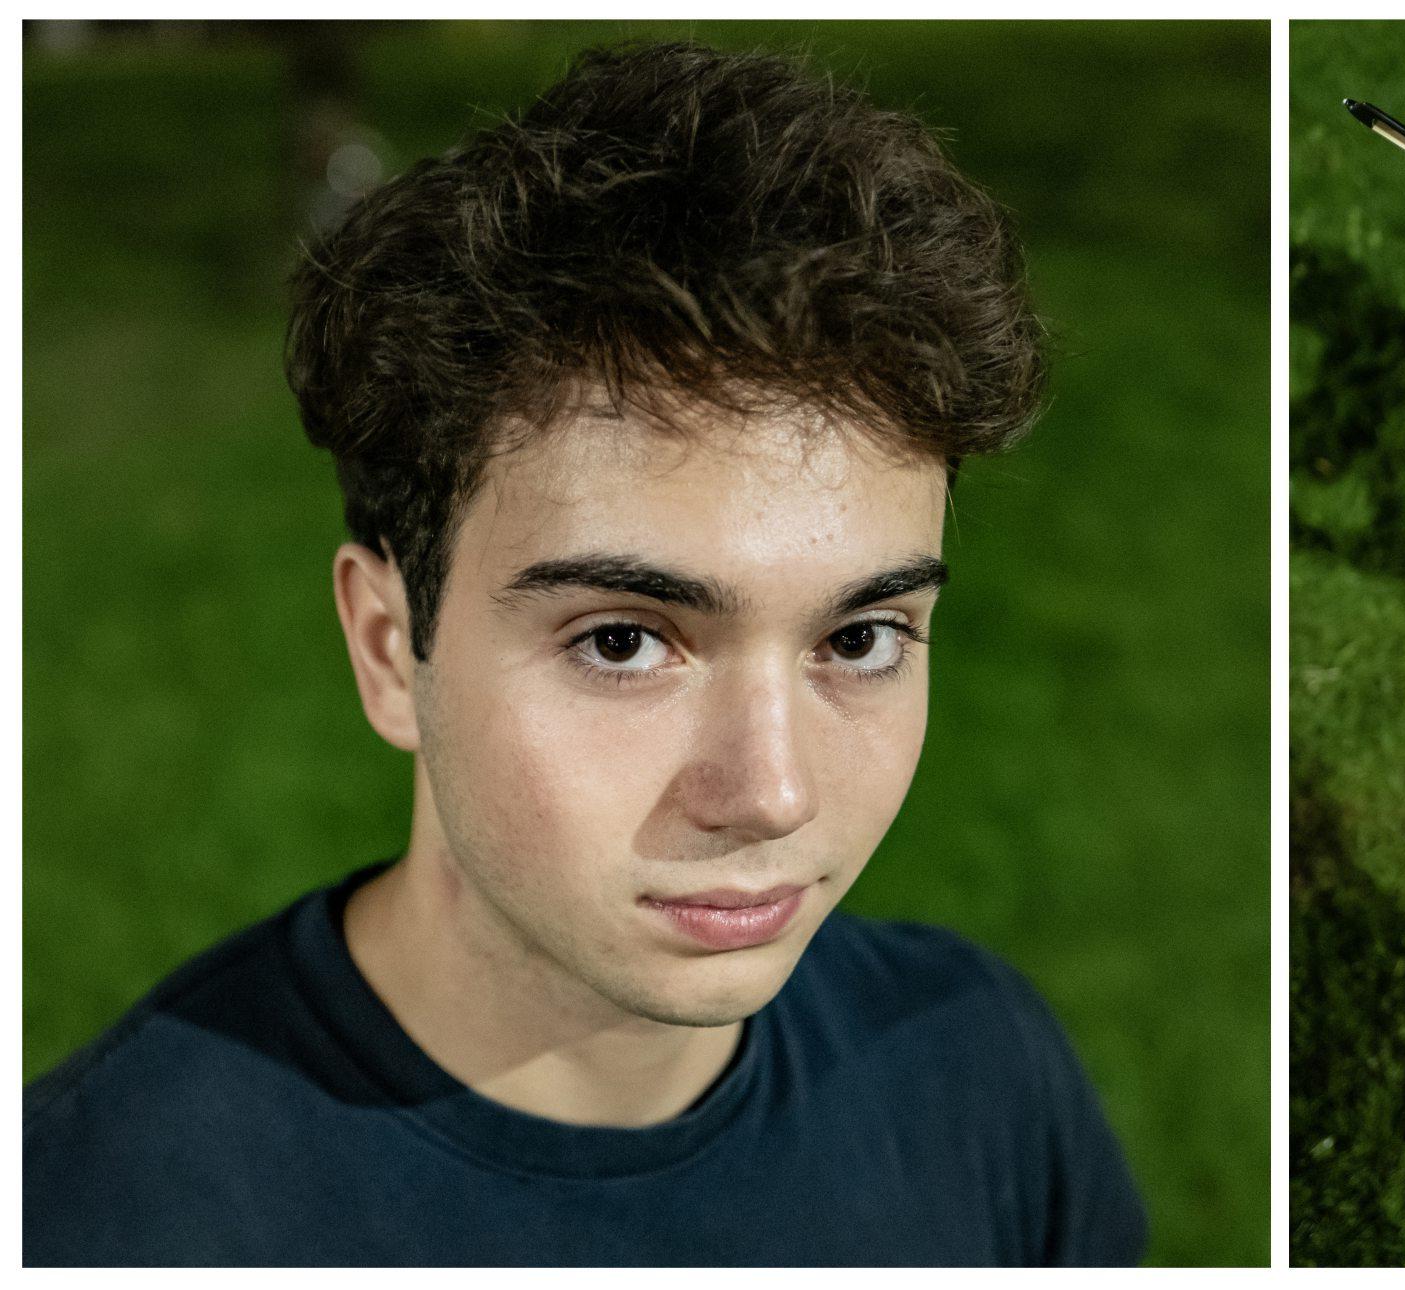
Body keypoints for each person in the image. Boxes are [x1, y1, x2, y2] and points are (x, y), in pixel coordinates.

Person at [23, 41, 1146, 1266]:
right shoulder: (99, 1216)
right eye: (624, 641)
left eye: (859, 637)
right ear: (392, 647)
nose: (770, 792)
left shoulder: (983, 1075)